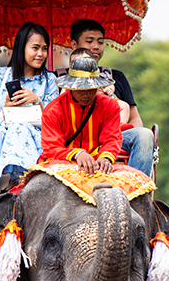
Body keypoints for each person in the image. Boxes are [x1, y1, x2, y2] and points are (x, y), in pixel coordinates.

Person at [0, 22, 59, 201]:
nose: (41, 54)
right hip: (1, 133)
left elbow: (55, 120)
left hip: (34, 136)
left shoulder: (50, 80)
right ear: (21, 48)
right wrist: (5, 109)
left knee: (20, 127)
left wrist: (38, 100)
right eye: (35, 48)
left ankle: (19, 182)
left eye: (44, 48)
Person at [69, 19, 154, 177]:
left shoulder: (117, 77)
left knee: (144, 135)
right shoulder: (61, 78)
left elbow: (135, 119)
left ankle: (136, 191)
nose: (96, 46)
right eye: (89, 41)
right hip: (77, 137)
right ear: (74, 45)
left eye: (100, 42)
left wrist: (115, 131)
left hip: (114, 134)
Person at [40, 54, 122, 175]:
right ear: (71, 87)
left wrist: (106, 158)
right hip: (61, 162)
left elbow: (112, 139)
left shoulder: (110, 105)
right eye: (81, 89)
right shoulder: (53, 110)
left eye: (91, 88)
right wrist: (78, 154)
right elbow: (51, 147)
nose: (86, 94)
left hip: (97, 162)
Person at [69, 47, 131, 125]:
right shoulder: (68, 81)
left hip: (102, 101)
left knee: (124, 106)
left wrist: (109, 88)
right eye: (75, 62)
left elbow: (110, 85)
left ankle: (120, 125)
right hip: (80, 107)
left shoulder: (100, 76)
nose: (80, 65)